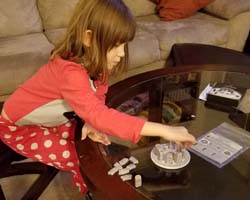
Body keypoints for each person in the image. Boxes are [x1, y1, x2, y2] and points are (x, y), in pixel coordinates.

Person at [0, 0, 195, 195]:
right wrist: (165, 130)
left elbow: (98, 97)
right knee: (87, 163)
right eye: (116, 45)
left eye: (124, 45)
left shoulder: (97, 63)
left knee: (99, 147)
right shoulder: (69, 73)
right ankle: (94, 193)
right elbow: (100, 115)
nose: (121, 53)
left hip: (54, 119)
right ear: (88, 38)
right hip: (18, 128)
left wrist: (88, 122)